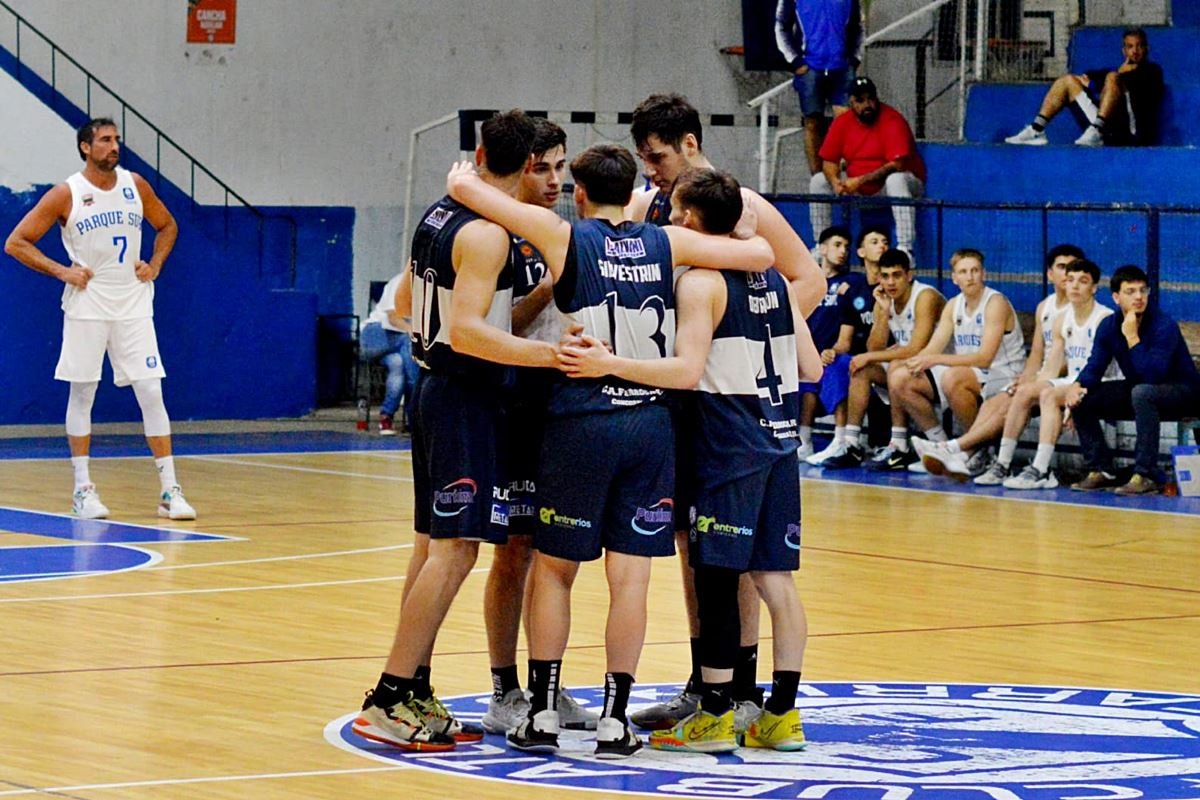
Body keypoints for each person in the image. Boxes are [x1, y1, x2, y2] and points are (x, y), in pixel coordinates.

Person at [446, 144, 776, 759]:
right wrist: (746, 224)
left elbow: (472, 194)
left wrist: (462, 176)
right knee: (632, 578)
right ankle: (615, 719)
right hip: (649, 424)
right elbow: (758, 253)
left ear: (578, 192)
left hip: (582, 420)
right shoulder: (667, 242)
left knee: (556, 570)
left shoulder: (562, 234)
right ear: (633, 195)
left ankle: (543, 711)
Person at [557, 168, 821, 753]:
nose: (671, 221)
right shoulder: (774, 280)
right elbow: (813, 369)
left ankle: (717, 717)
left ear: (695, 220)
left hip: (731, 445)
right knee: (776, 582)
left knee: (719, 582)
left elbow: (682, 371)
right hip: (781, 442)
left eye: (677, 213)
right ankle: (780, 713)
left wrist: (610, 365)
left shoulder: (701, 282)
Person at [353, 110, 552, 753]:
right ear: (525, 166)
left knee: (432, 549)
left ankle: (412, 686)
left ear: (477, 150)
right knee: (455, 552)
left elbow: (408, 305)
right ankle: (387, 696)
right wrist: (552, 355)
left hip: (438, 391)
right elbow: (467, 328)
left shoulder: (440, 211)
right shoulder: (490, 235)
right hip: (465, 396)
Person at [625, 92, 823, 734]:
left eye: (656, 156)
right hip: (686, 399)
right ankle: (704, 679)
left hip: (730, 403)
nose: (649, 169)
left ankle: (735, 685)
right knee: (694, 543)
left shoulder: (743, 209)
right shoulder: (652, 207)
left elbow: (809, 281)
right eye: (641, 159)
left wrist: (747, 337)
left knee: (728, 550)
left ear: (689, 143)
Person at [4, 117, 195, 521]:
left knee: (151, 392)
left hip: (134, 304)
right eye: (105, 140)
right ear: (85, 148)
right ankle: (82, 490)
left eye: (116, 140)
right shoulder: (66, 194)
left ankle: (169, 491)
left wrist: (156, 263)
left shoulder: (135, 185)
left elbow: (167, 226)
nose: (114, 146)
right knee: (83, 393)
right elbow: (16, 242)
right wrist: (63, 271)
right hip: (88, 305)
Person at [480, 118, 599, 735]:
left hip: (569, 409)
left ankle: (545, 684)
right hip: (514, 406)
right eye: (541, 168)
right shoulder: (495, 234)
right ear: (516, 168)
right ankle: (504, 690)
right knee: (513, 553)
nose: (554, 180)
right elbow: (493, 331)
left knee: (560, 555)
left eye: (561, 168)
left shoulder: (570, 233)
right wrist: (550, 289)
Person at [922, 245, 1081, 481]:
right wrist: (1028, 377)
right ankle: (984, 458)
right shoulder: (1045, 307)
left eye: (1074, 269)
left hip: (1064, 381)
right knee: (994, 402)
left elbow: (1071, 360)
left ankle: (956, 448)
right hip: (1040, 377)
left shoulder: (1080, 310)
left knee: (1014, 397)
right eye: (1061, 267)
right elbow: (1036, 355)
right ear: (1049, 274)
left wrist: (1035, 380)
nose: (1068, 274)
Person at [1066, 265, 1200, 495]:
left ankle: (1146, 474)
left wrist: (1131, 337)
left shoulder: (1163, 325)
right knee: (1084, 397)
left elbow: (1154, 375)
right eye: (1130, 291)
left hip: (1183, 393)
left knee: (1142, 392)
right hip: (1143, 392)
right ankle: (1101, 470)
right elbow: (1095, 366)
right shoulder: (1109, 325)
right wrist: (1076, 386)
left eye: (1142, 290)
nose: (1138, 297)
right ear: (1116, 297)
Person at [889, 249, 1024, 470]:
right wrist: (914, 362)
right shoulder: (953, 305)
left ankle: (978, 451)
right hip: (969, 372)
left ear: (984, 274)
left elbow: (984, 358)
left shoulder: (995, 302)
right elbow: (933, 347)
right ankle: (939, 448)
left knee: (953, 378)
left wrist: (932, 359)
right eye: (963, 271)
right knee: (900, 378)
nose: (969, 276)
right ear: (954, 278)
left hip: (1004, 373)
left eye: (974, 270)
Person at [1000, 259, 1122, 489]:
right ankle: (1002, 464)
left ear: (1094, 287)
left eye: (1083, 281)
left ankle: (1040, 469)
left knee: (1048, 394)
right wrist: (1029, 384)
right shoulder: (1061, 320)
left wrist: (1073, 398)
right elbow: (1051, 368)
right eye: (1070, 280)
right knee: (1026, 391)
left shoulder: (1104, 319)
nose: (1075, 286)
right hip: (1074, 380)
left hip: (1103, 381)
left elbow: (1100, 368)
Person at [821, 248, 945, 470]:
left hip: (943, 367)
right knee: (861, 369)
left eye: (896, 275)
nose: (890, 282)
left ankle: (928, 445)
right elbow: (874, 346)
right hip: (915, 369)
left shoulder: (925, 296)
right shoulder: (884, 299)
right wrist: (884, 313)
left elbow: (916, 348)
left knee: (893, 367)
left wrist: (868, 355)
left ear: (909, 275)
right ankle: (851, 443)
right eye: (885, 276)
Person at [808, 76, 926, 256]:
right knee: (818, 181)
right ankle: (821, 245)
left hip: (898, 184)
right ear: (851, 102)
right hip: (858, 185)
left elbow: (897, 164)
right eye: (860, 101)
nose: (867, 105)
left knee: (896, 179)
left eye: (871, 99)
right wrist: (835, 182)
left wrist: (860, 181)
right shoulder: (843, 122)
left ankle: (905, 249)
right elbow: (829, 161)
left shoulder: (892, 119)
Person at [1006, 28, 1164, 148]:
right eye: (1130, 47)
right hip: (1107, 128)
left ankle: (1097, 130)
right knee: (1067, 81)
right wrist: (1089, 80)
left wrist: (1101, 82)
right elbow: (1091, 74)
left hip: (1130, 135)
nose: (1134, 51)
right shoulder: (1116, 72)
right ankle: (1037, 129)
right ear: (1124, 51)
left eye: (1139, 46)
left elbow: (1135, 86)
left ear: (1146, 49)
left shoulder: (1153, 71)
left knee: (1112, 78)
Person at [773, 0, 865, 175]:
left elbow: (858, 26)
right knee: (813, 123)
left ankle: (843, 175)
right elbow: (781, 26)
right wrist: (794, 61)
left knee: (845, 119)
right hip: (810, 67)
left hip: (841, 67)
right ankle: (817, 179)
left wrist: (854, 58)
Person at [800, 225, 867, 463]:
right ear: (822, 248)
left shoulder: (851, 282)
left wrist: (832, 350)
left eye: (846, 247)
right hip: (809, 354)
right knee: (802, 375)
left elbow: (849, 332)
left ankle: (841, 439)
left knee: (836, 366)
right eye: (837, 245)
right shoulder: (809, 284)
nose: (843, 251)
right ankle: (803, 440)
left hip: (835, 354)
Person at [360, 271, 419, 435]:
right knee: (410, 345)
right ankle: (414, 416)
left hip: (397, 344)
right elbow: (393, 318)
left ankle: (386, 417)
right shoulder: (401, 281)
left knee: (398, 365)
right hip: (374, 334)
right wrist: (412, 331)